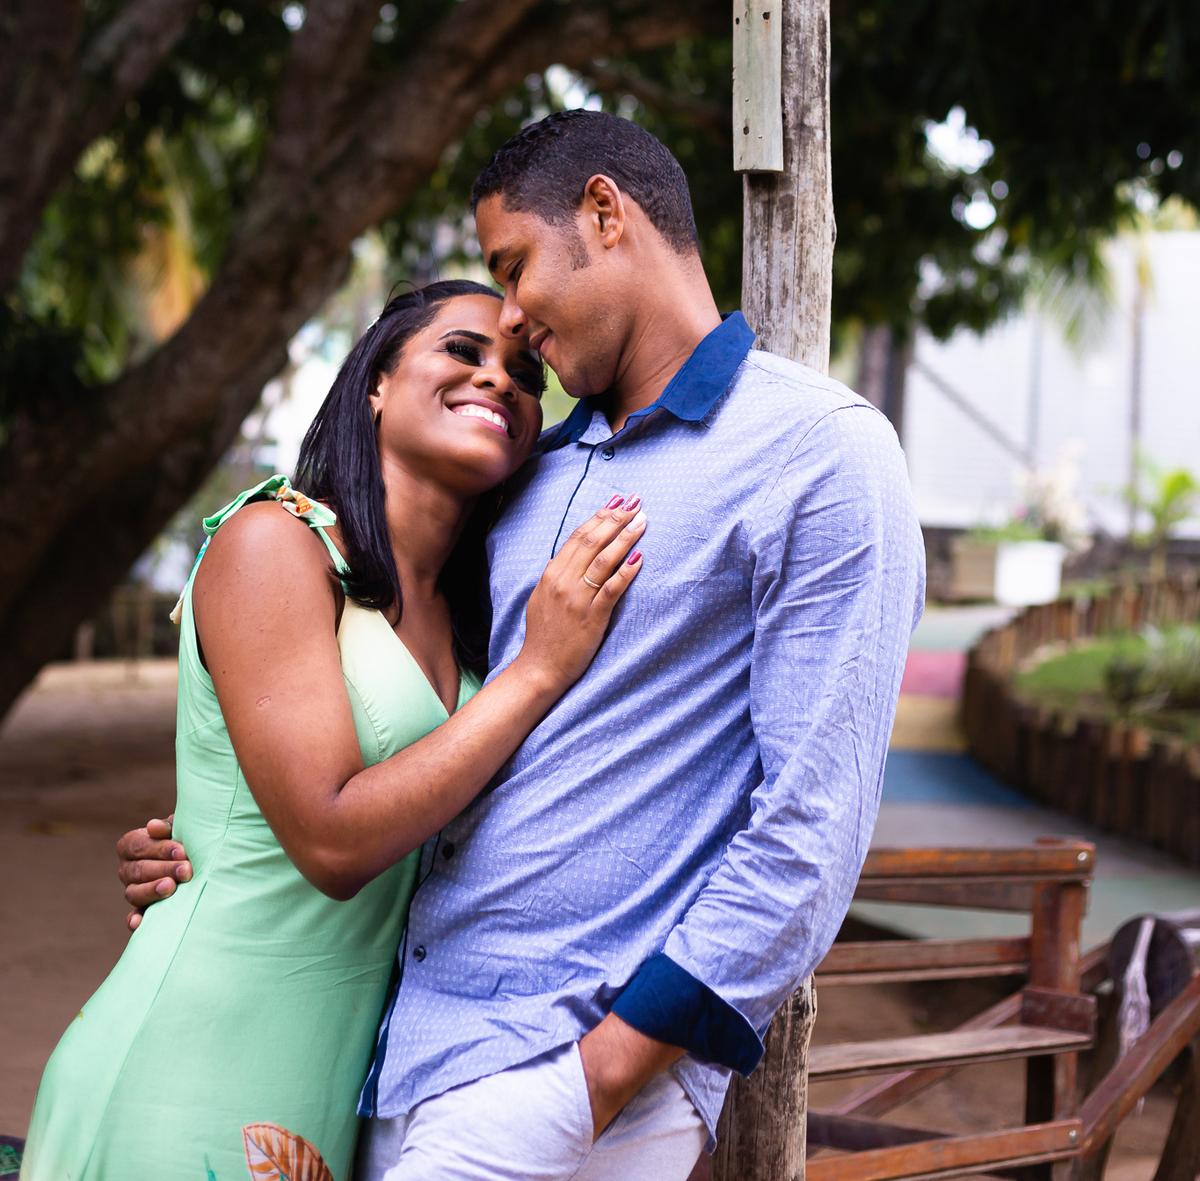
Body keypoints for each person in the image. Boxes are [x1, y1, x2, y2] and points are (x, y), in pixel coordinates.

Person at [118, 110, 926, 1181]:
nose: (508, 315)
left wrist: (604, 1075)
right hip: (398, 1051)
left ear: (605, 213)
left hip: (566, 1063)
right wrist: (217, 842)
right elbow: (400, 711)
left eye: (513, 266)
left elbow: (813, 825)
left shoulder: (819, 454)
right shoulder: (524, 475)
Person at [21, 279, 646, 1181]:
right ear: (376, 384)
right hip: (189, 1066)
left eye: (524, 374)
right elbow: (332, 839)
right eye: (463, 351)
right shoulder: (276, 542)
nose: (499, 380)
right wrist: (540, 673)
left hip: (340, 1087)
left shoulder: (478, 615)